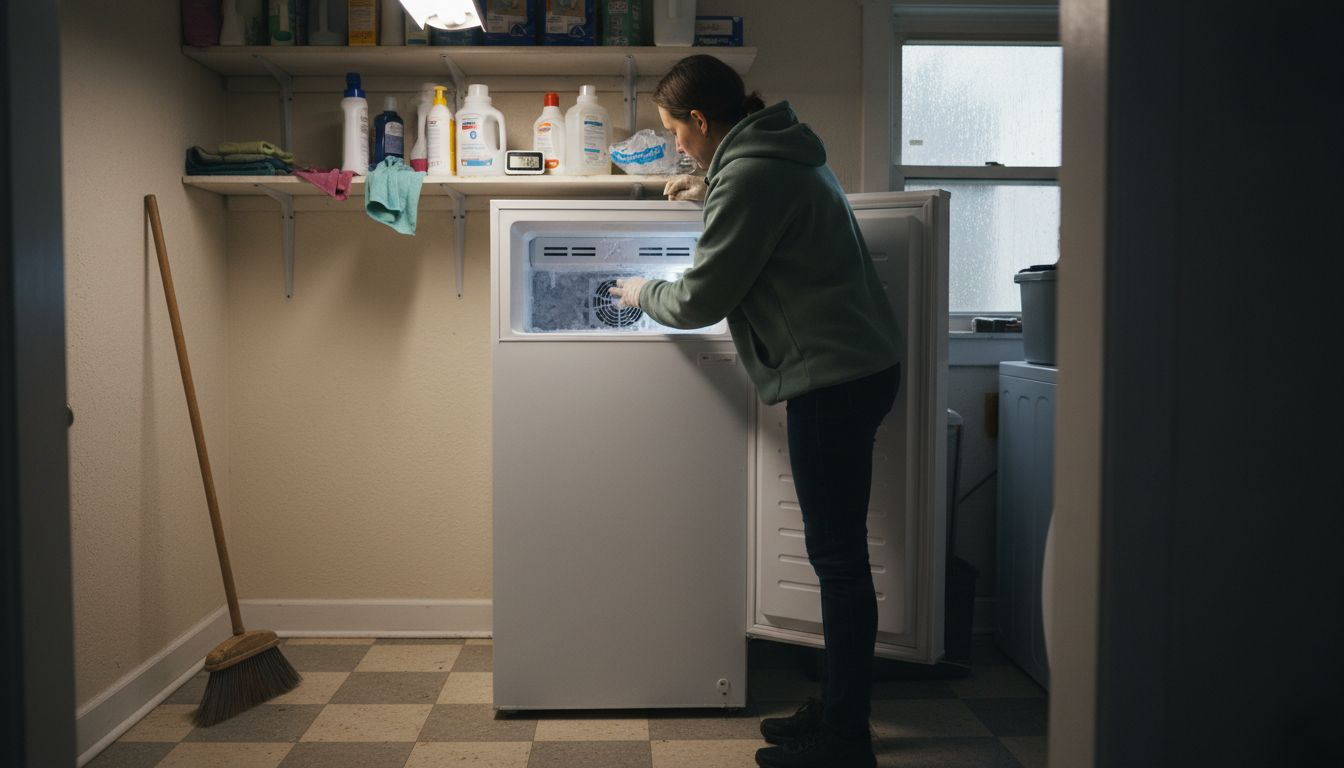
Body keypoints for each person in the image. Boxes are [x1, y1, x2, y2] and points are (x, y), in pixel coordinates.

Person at [607, 54, 902, 768]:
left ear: (701, 122)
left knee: (836, 560)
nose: (675, 144)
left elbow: (699, 299)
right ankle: (836, 705)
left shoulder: (750, 174)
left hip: (832, 381)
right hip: (861, 366)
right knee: (836, 557)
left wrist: (637, 289)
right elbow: (764, 212)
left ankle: (845, 741)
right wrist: (708, 188)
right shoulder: (777, 148)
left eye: (676, 131)